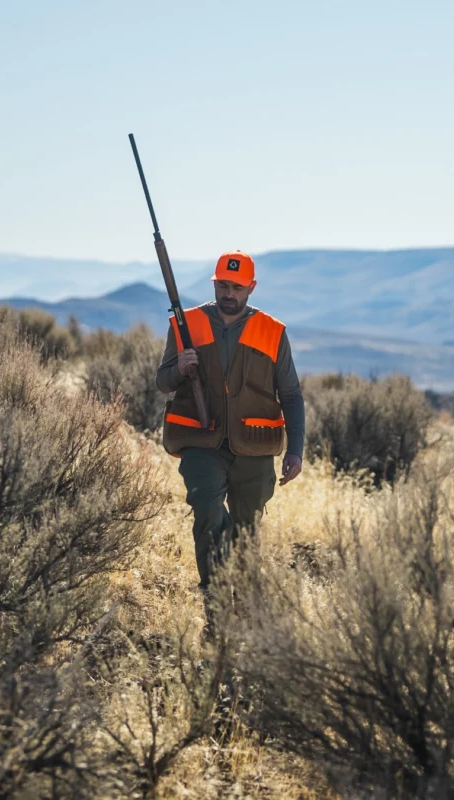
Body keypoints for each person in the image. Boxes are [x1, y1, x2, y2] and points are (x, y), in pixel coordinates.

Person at [156, 250, 305, 634]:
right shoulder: (186, 324)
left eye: (237, 287)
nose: (229, 293)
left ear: (251, 287)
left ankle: (247, 611)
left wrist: (295, 449)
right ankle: (216, 615)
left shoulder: (273, 331)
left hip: (254, 445)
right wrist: (180, 369)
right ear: (214, 284)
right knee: (207, 512)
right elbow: (162, 381)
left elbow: (290, 395)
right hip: (200, 440)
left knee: (245, 530)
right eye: (223, 284)